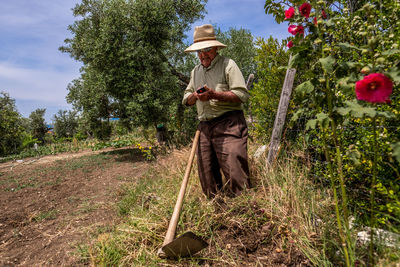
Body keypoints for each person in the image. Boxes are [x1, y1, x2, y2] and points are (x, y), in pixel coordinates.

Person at [182, 24, 250, 199]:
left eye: (207, 49)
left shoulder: (228, 65)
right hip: (204, 127)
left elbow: (241, 94)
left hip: (228, 123)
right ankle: (217, 212)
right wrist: (195, 97)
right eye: (199, 51)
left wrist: (214, 95)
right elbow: (186, 97)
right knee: (207, 174)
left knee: (235, 170)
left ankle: (246, 210)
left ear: (216, 48)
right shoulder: (195, 71)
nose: (203, 54)